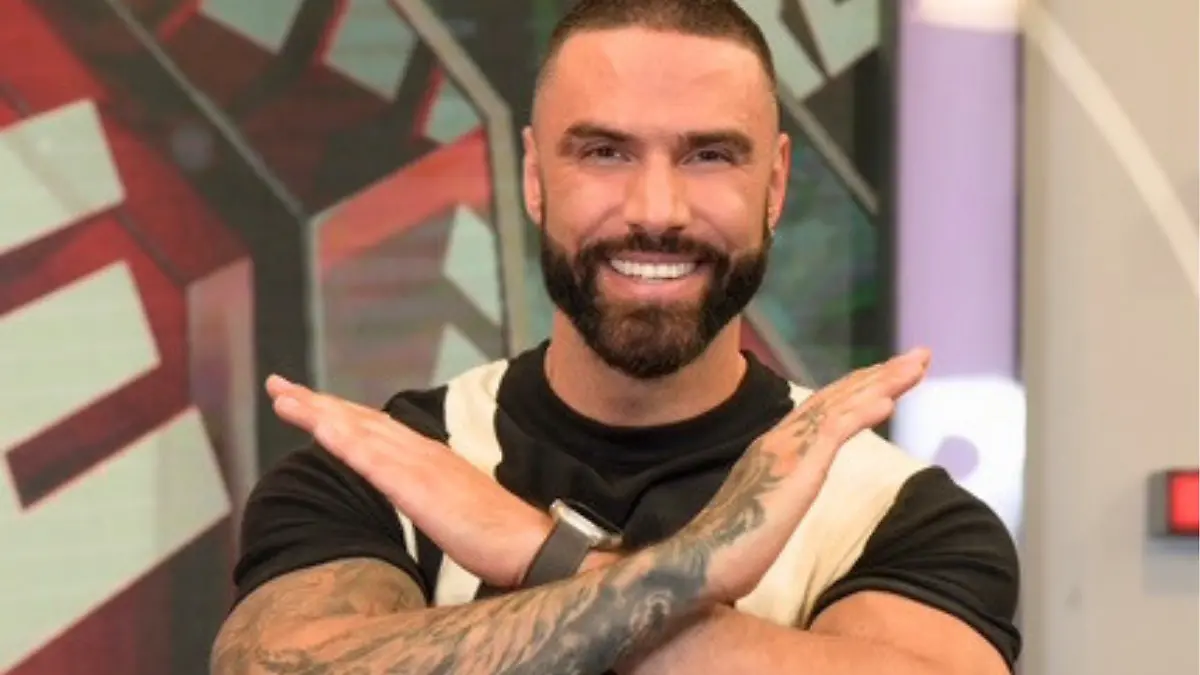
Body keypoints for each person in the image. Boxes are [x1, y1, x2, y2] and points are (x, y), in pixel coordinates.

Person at [210, 1, 1021, 673]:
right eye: (604, 152)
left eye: (709, 155)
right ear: (535, 178)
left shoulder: (899, 513)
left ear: (775, 183)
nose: (656, 210)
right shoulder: (382, 476)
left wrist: (537, 551)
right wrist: (696, 570)